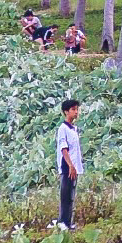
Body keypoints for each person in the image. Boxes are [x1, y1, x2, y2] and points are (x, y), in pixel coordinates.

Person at [56, 99, 82, 230]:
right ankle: (62, 222)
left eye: (77, 109)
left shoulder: (74, 129)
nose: (76, 112)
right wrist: (70, 165)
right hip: (67, 165)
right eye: (73, 109)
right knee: (65, 194)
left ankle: (68, 222)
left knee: (71, 195)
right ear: (66, 112)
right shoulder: (63, 128)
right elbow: (63, 148)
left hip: (74, 166)